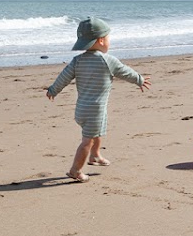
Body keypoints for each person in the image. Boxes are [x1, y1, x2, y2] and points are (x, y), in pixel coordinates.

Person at [46, 17, 151, 182]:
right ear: (101, 40)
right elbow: (125, 72)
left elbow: (64, 77)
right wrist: (139, 79)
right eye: (108, 38)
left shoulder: (77, 61)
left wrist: (53, 90)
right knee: (87, 141)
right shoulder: (108, 60)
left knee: (98, 131)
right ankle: (76, 170)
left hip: (82, 109)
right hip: (94, 110)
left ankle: (95, 156)